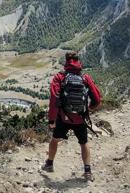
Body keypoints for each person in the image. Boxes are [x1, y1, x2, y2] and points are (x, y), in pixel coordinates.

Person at [42, 51, 101, 181]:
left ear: (66, 61)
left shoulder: (59, 77)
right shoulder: (85, 77)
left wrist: (52, 119)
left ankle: (49, 164)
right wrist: (87, 110)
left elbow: (54, 100)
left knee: (55, 140)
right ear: (78, 61)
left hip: (63, 117)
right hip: (80, 118)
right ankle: (87, 171)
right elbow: (97, 98)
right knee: (84, 143)